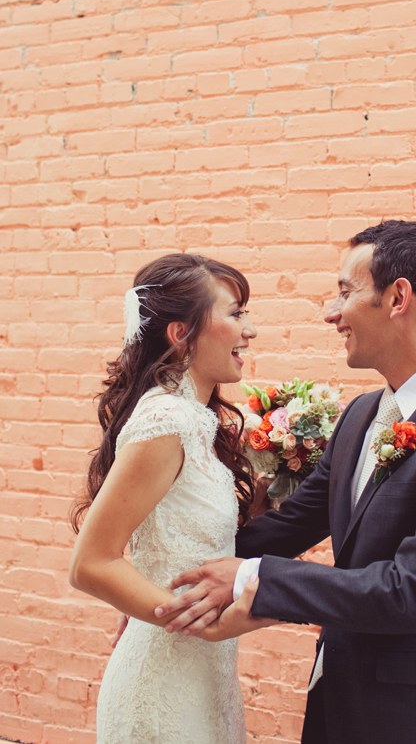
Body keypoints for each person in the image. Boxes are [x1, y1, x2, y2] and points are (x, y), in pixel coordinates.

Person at [154, 220, 416, 744]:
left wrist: (248, 579)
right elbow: (287, 527)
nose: (332, 313)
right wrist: (163, 575)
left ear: (398, 298)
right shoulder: (360, 416)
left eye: (345, 291)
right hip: (337, 700)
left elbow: (412, 591)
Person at [68, 252, 272, 744]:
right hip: (163, 685)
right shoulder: (167, 421)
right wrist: (197, 622)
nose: (250, 331)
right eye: (235, 313)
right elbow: (91, 564)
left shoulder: (200, 422)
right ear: (182, 334)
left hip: (205, 679)